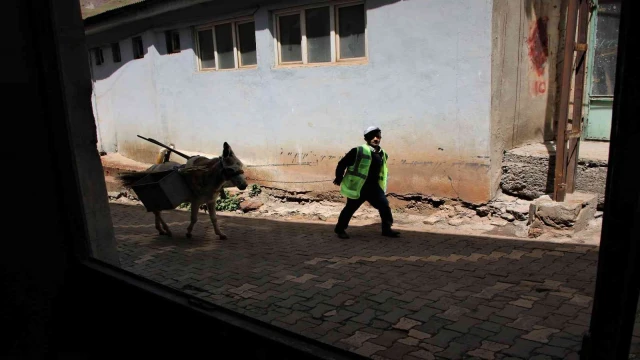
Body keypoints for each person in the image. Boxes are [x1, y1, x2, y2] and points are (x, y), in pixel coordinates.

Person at [333, 126, 400, 239]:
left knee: (384, 206)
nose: (376, 139)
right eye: (372, 136)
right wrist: (339, 177)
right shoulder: (358, 151)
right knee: (350, 208)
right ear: (367, 138)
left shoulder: (382, 153)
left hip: (374, 187)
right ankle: (340, 229)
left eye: (378, 136)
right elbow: (342, 163)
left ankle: (387, 229)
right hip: (359, 187)